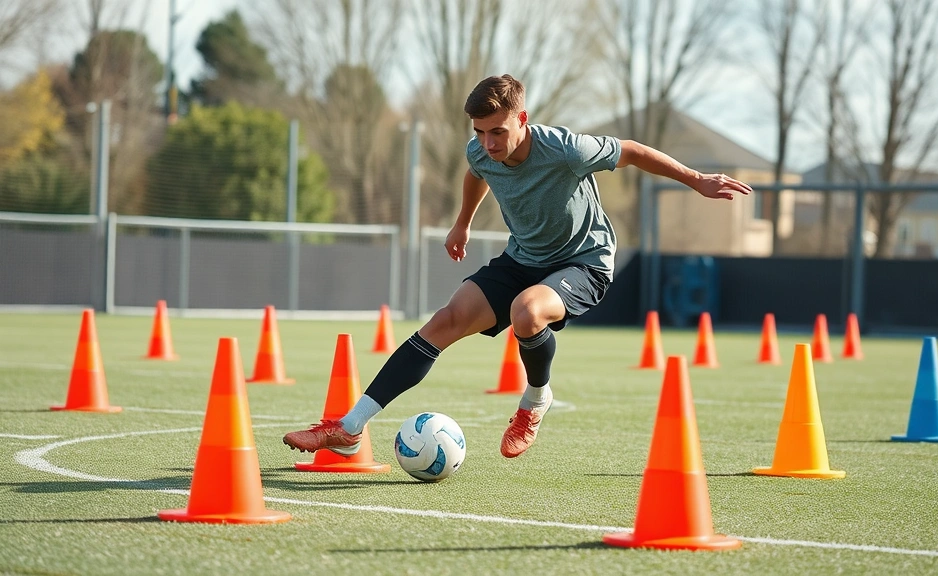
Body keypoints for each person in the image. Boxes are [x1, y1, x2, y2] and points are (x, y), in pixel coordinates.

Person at [283, 74, 751, 459]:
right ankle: (349, 429)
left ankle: (535, 400)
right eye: (479, 133)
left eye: (498, 132)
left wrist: (695, 179)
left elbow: (630, 150)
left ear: (521, 119)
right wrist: (461, 224)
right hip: (523, 258)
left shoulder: (568, 150)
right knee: (443, 321)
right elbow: (475, 173)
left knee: (527, 313)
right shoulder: (480, 152)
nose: (488, 143)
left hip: (583, 261)